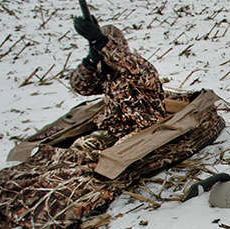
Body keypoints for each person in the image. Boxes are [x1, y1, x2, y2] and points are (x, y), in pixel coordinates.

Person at [68, 14, 167, 153]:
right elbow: (81, 87)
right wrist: (90, 61)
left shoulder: (140, 67)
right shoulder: (107, 75)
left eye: (105, 48)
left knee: (113, 155)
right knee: (78, 149)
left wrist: (101, 42)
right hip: (113, 130)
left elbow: (126, 63)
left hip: (145, 129)